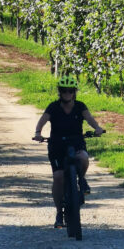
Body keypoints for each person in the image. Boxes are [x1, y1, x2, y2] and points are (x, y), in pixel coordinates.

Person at [33, 74, 104, 229]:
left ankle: (82, 180)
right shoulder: (53, 107)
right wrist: (38, 133)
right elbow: (42, 120)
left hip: (76, 141)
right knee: (58, 177)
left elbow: (90, 118)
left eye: (70, 91)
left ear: (74, 92)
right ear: (60, 92)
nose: (67, 94)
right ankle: (59, 212)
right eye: (64, 91)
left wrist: (97, 128)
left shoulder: (80, 106)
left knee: (83, 157)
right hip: (57, 144)